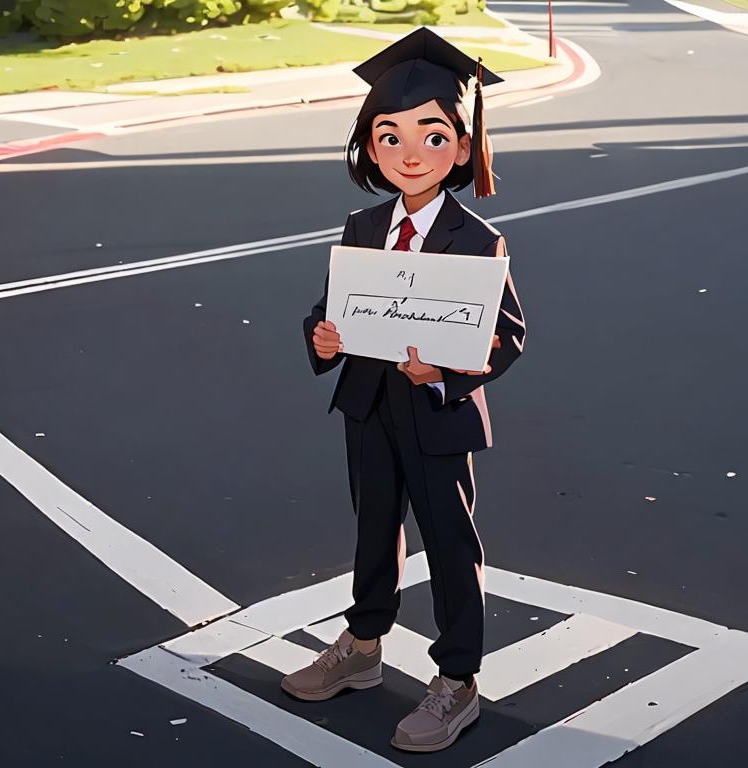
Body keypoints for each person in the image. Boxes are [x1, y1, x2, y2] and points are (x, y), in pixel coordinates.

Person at [279, 27, 527, 753]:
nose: (410, 153)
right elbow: (330, 309)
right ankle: (361, 646)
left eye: (432, 134)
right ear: (369, 146)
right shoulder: (361, 225)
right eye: (389, 137)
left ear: (461, 142)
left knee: (449, 542)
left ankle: (457, 680)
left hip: (435, 412)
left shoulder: (477, 239)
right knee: (374, 529)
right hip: (367, 405)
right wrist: (322, 336)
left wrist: (445, 373)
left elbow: (506, 335)